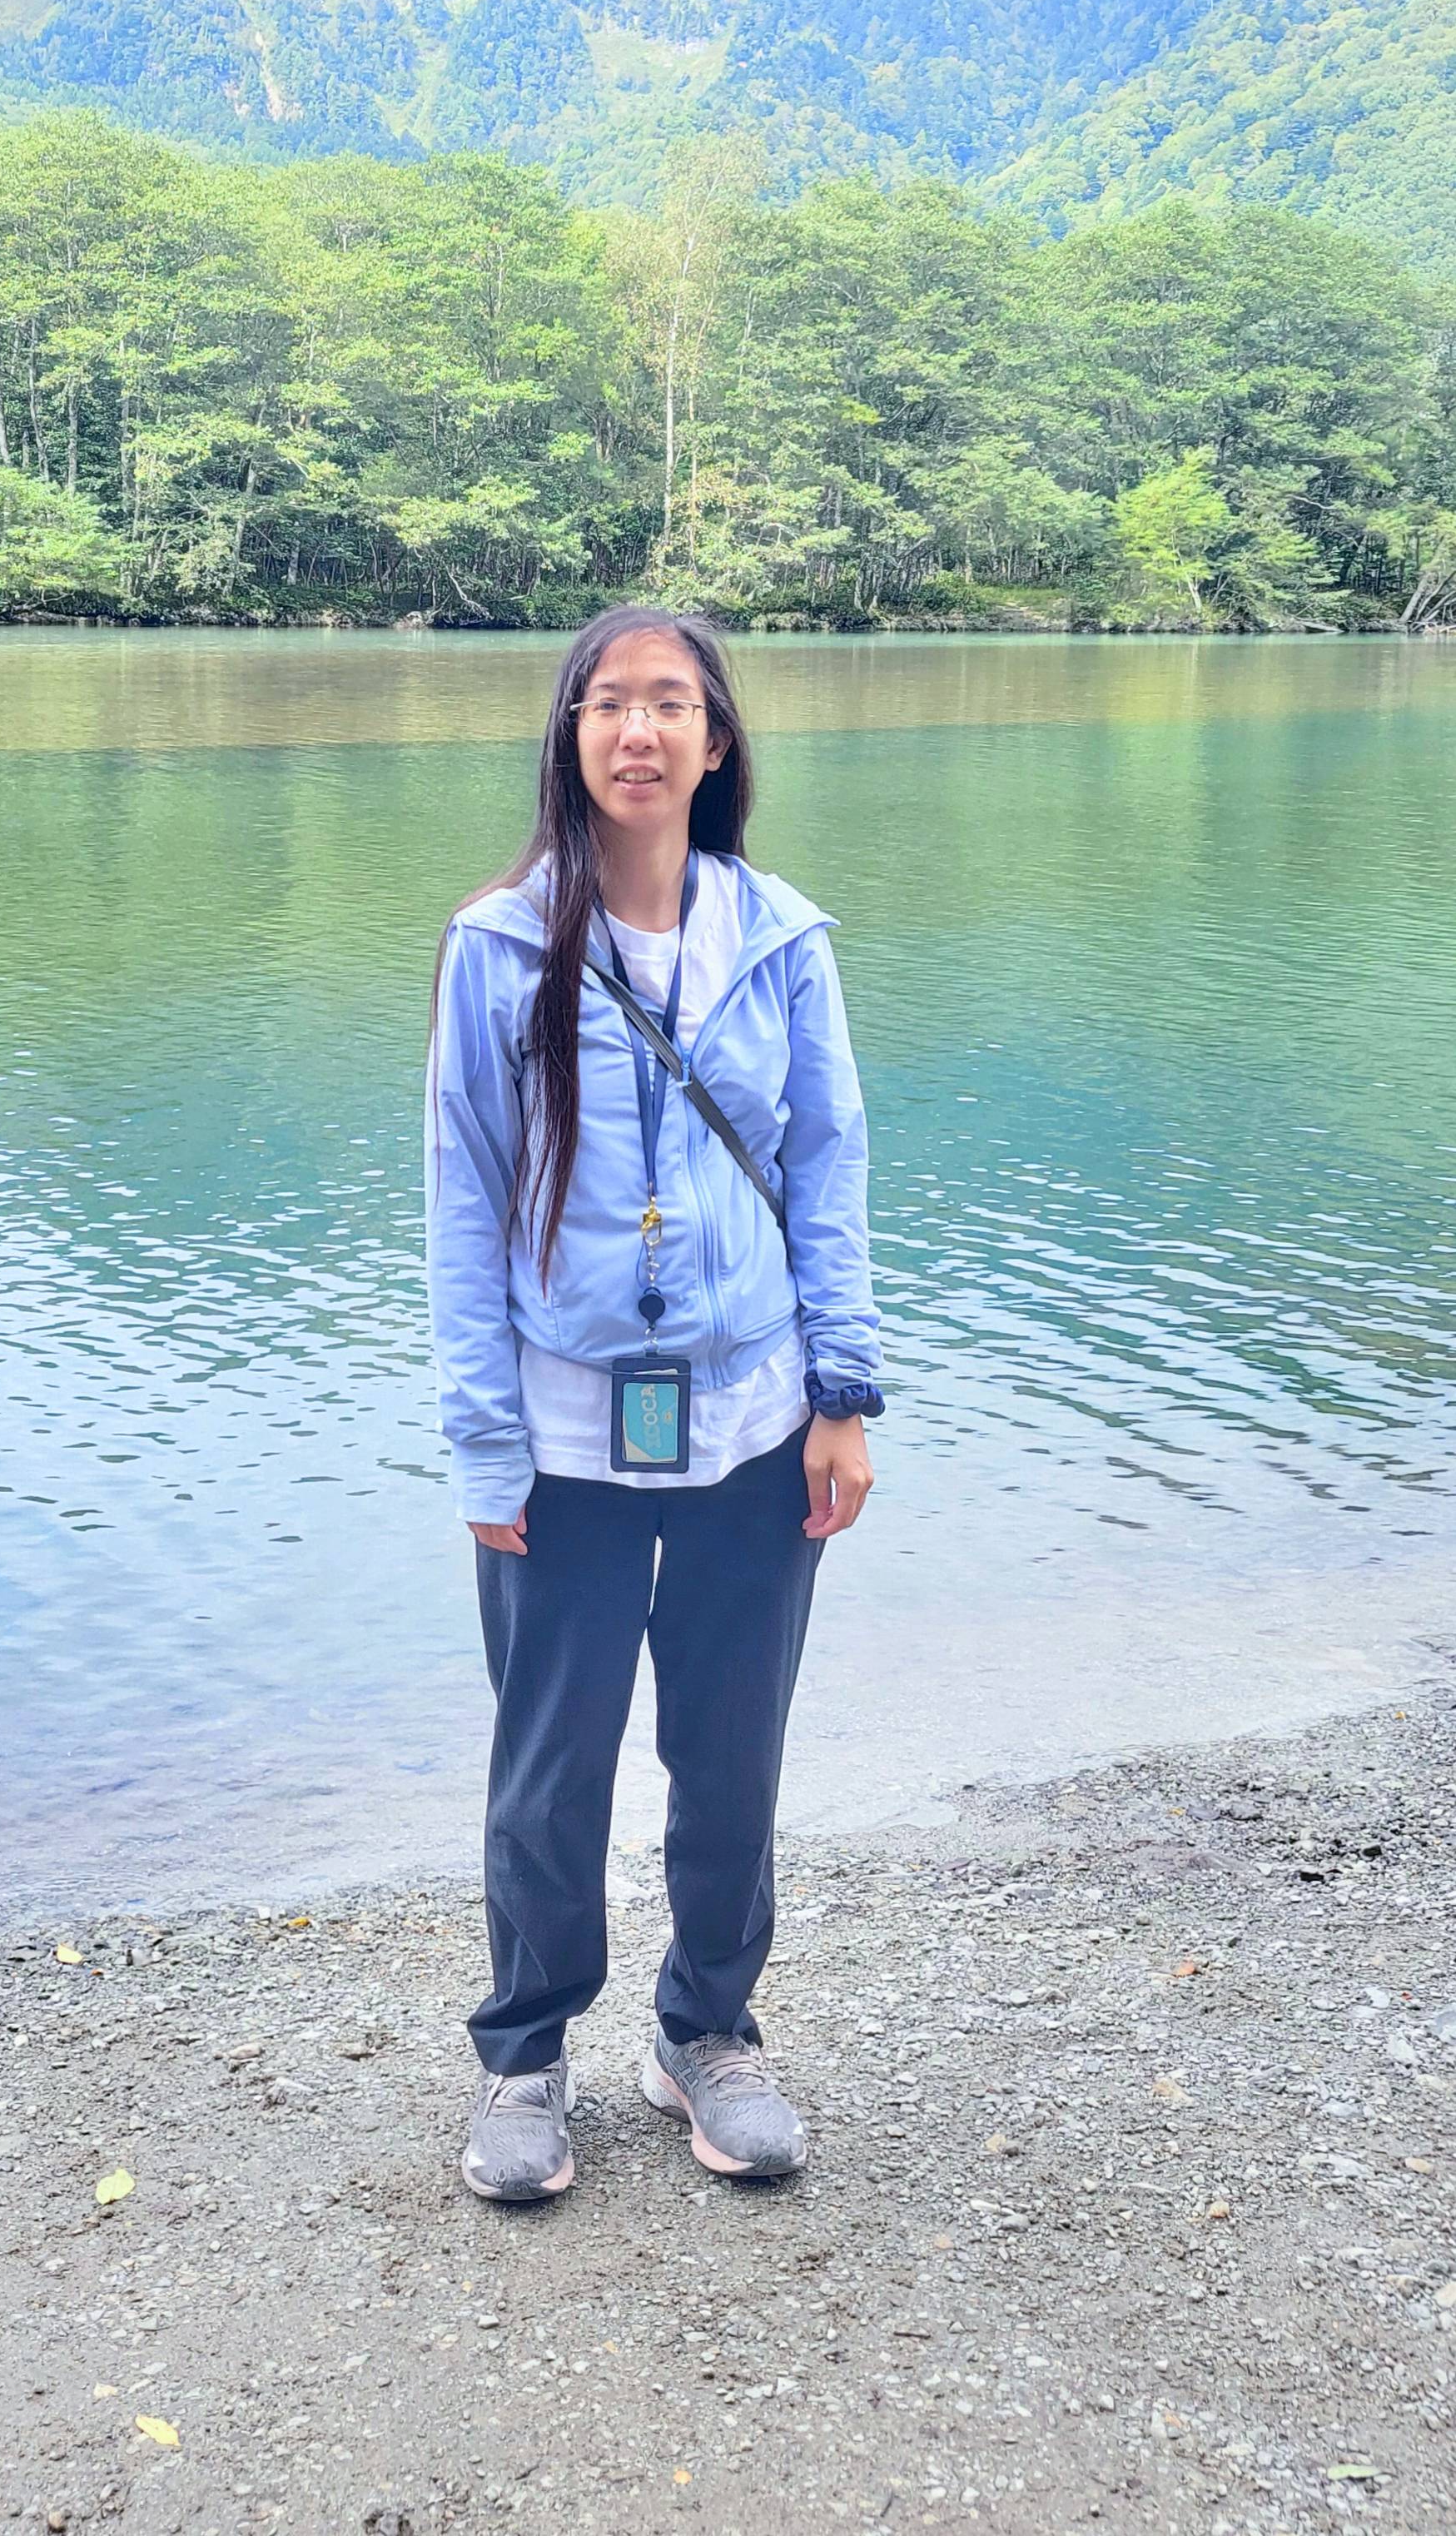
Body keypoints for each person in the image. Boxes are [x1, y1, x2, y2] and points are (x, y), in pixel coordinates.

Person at [424, 604, 883, 2201]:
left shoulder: (782, 942)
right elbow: (463, 1202)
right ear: (569, 736)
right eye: (608, 704)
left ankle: (708, 2028)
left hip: (757, 1421)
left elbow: (828, 1172)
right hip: (564, 1430)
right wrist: (482, 1434)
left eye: (670, 705)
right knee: (551, 1760)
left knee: (733, 1744)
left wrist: (845, 1391)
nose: (638, 732)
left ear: (717, 740)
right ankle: (527, 2046)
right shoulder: (499, 945)